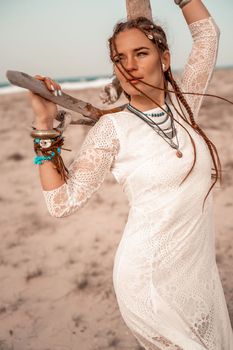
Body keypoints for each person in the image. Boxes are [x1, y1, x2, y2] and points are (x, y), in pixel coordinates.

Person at [28, 0, 233, 348]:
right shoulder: (113, 128)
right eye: (120, 59)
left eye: (141, 53)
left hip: (197, 278)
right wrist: (44, 124)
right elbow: (61, 203)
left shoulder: (185, 105)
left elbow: (207, 35)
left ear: (164, 59)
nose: (130, 66)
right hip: (147, 281)